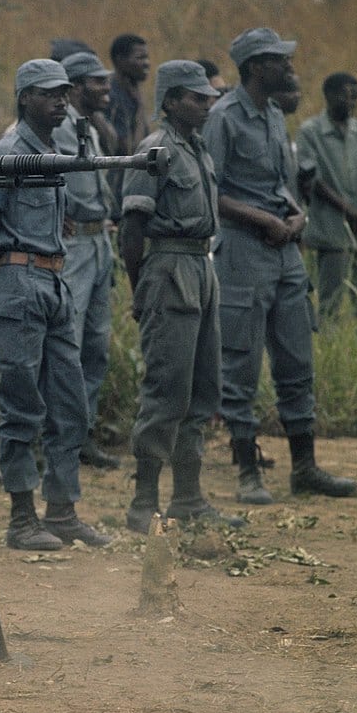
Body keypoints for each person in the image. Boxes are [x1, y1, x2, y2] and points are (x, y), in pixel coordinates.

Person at [202, 28, 356, 505]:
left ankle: (304, 469)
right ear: (254, 68)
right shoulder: (223, 118)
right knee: (240, 366)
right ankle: (248, 471)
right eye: (277, 60)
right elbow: (212, 192)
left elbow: (282, 183)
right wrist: (265, 219)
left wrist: (295, 215)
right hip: (243, 254)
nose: (289, 67)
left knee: (296, 361)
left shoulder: (272, 116)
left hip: (285, 253)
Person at [0, 59, 111, 551]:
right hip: (17, 282)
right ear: (24, 97)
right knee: (21, 406)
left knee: (70, 404)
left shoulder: (52, 150)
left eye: (64, 94)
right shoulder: (9, 151)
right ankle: (22, 517)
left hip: (53, 282)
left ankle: (63, 510)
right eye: (50, 94)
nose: (61, 102)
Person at [119, 61, 243, 533]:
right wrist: (140, 291)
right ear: (171, 101)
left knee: (203, 389)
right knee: (166, 390)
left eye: (208, 96)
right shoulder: (156, 149)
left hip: (200, 267)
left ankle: (188, 499)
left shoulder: (198, 149)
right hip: (168, 270)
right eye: (196, 97)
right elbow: (132, 227)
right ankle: (143, 503)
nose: (206, 103)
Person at [55, 50, 120, 470]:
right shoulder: (60, 128)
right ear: (76, 87)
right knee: (70, 344)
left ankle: (82, 434)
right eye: (98, 83)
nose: (106, 90)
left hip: (99, 243)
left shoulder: (89, 127)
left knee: (96, 345)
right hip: (75, 244)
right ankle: (63, 437)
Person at [298, 72, 357, 319]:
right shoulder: (310, 131)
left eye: (355, 98)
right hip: (332, 226)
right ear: (329, 96)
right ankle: (329, 346)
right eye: (345, 97)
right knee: (331, 300)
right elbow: (314, 180)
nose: (351, 103)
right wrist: (350, 210)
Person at [105, 33, 151, 218]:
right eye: (140, 57)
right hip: (114, 193)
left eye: (146, 57)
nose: (147, 63)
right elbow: (130, 151)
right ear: (120, 60)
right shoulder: (110, 96)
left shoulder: (129, 90)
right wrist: (140, 107)